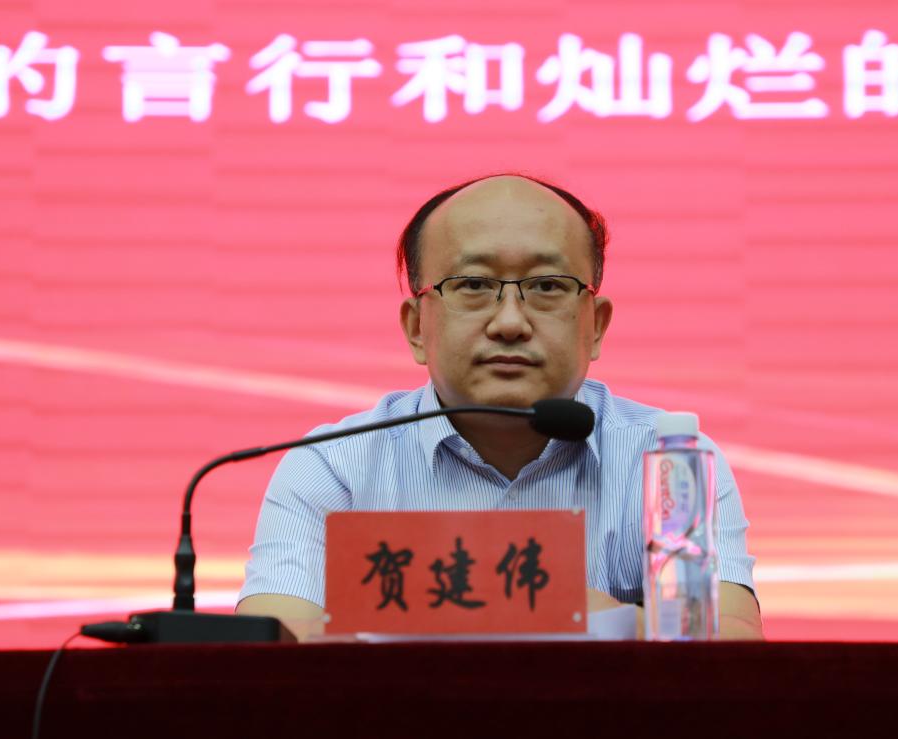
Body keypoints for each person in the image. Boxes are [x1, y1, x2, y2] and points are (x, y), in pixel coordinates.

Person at [236, 174, 763, 639]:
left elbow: (733, 646)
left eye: (548, 286)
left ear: (596, 325)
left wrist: (581, 617)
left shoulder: (668, 461)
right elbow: (273, 653)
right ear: (417, 327)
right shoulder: (335, 465)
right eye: (473, 285)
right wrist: (550, 610)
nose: (510, 322)